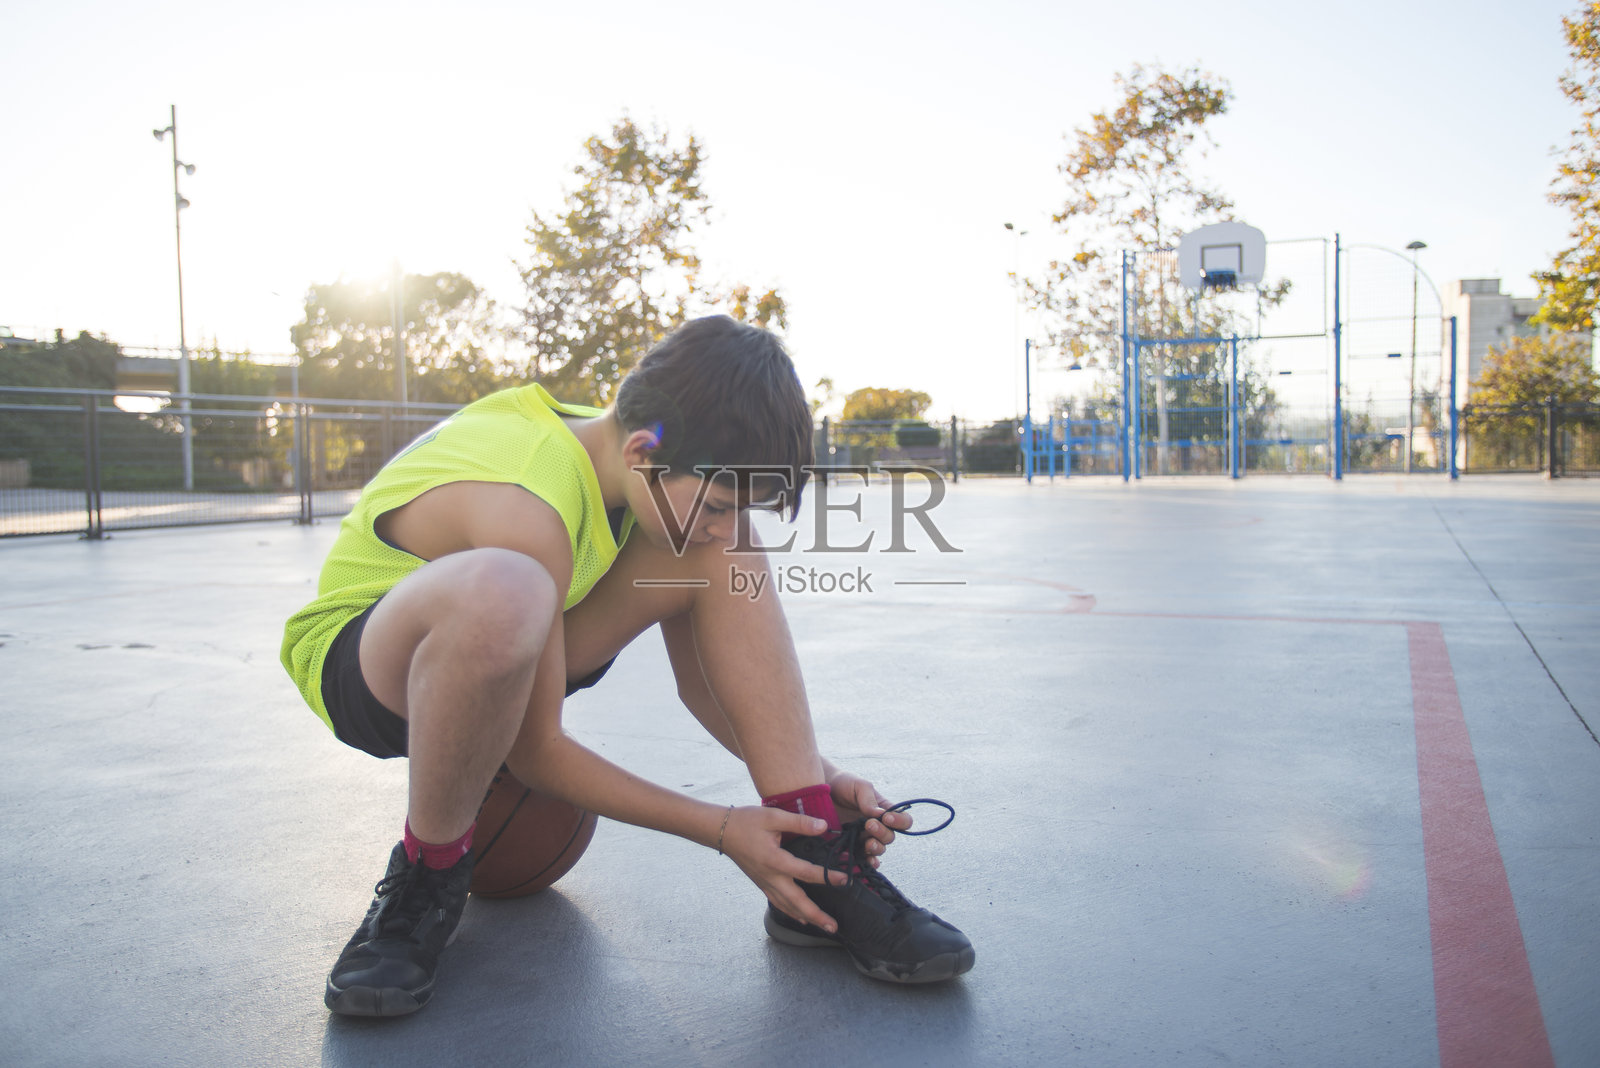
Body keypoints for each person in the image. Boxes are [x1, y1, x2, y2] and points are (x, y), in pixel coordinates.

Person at [280, 314, 973, 1017]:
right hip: (371, 663)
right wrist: (723, 829)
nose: (725, 522)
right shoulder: (529, 497)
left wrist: (821, 781)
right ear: (643, 452)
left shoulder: (630, 464)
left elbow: (709, 688)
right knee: (507, 590)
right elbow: (536, 752)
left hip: (512, 639)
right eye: (720, 503)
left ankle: (816, 858)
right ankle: (424, 878)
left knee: (715, 552)